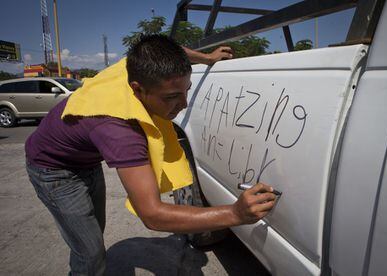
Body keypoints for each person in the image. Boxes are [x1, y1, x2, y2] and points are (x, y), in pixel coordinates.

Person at [25, 35, 277, 276]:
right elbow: (152, 214)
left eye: (185, 91)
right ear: (138, 89)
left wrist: (207, 58)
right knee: (90, 253)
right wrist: (234, 214)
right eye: (171, 97)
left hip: (85, 160)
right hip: (53, 170)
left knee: (93, 232)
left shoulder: (135, 65)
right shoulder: (118, 129)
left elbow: (172, 50)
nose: (184, 104)